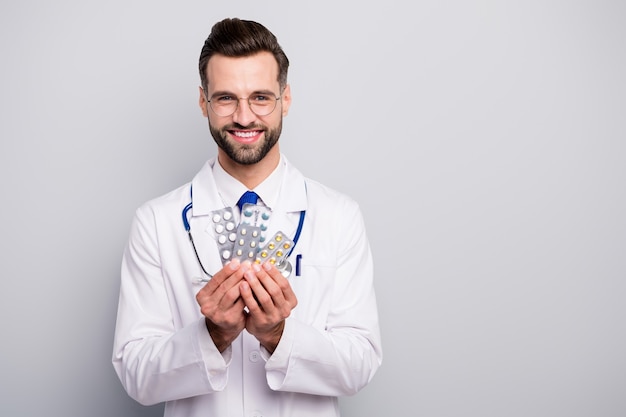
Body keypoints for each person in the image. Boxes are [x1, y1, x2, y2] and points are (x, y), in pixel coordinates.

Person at [112, 17, 382, 417]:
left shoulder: (338, 216)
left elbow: (359, 365)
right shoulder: (157, 222)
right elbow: (135, 374)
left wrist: (278, 335)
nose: (243, 117)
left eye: (260, 97)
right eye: (225, 98)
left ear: (285, 99)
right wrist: (212, 335)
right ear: (203, 101)